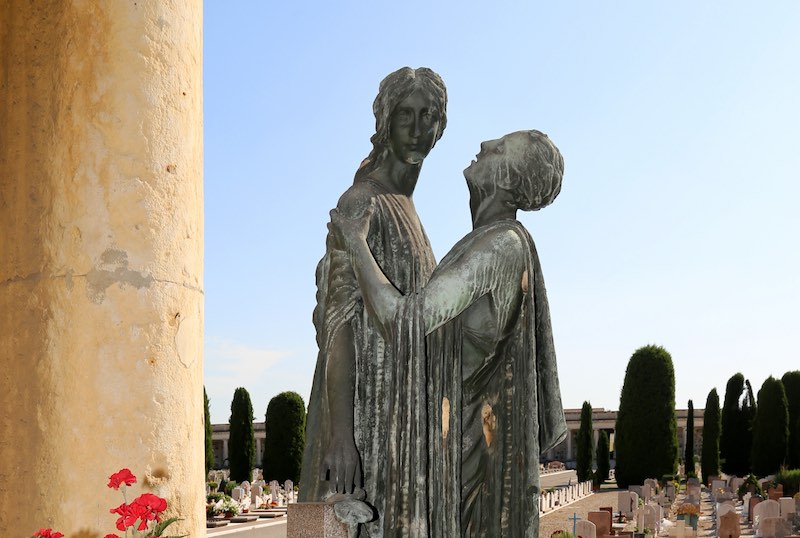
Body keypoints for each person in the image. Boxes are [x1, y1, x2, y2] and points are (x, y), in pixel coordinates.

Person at [331, 130, 568, 537]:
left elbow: (405, 320)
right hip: (456, 446)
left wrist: (356, 244)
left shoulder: (499, 248)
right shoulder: (485, 243)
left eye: (498, 148)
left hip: (463, 462)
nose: (485, 144)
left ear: (507, 179)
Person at [300, 67, 448, 537]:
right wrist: (341, 433)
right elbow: (338, 323)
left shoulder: (408, 207)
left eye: (429, 115)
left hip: (404, 411)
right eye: (406, 113)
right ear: (384, 121)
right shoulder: (361, 201)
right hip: (369, 412)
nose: (418, 126)